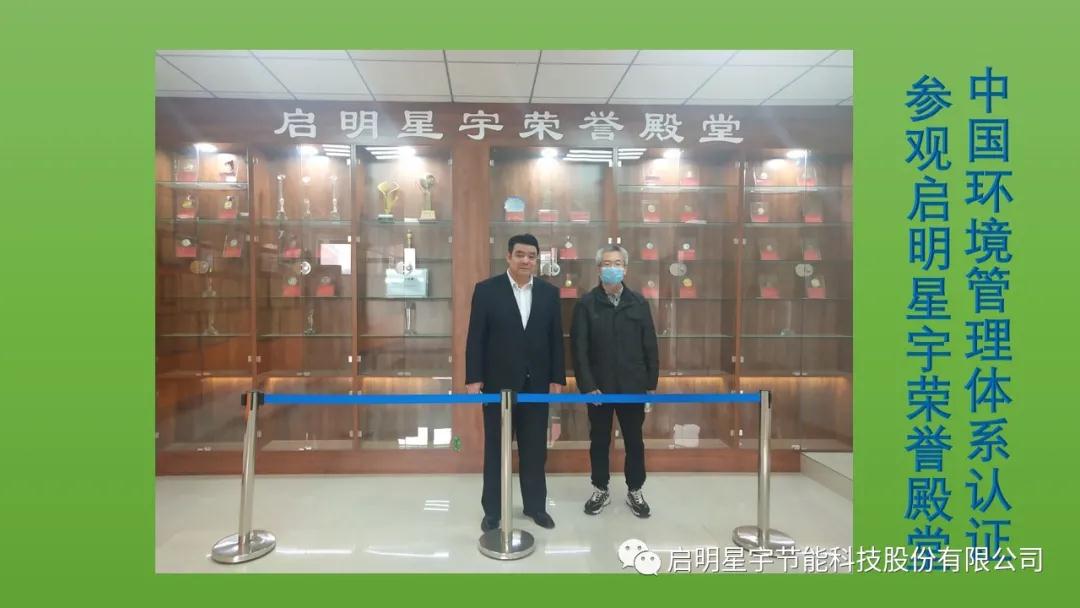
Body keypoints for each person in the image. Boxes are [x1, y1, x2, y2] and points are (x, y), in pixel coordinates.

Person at [466, 233, 566, 532]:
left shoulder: (549, 293)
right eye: (520, 254)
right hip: (498, 385)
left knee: (535, 450)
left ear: (537, 260)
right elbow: (476, 337)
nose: (526, 260)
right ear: (508, 256)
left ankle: (535, 507)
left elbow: (556, 339)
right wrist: (474, 377)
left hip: (536, 385)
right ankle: (493, 511)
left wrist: (557, 378)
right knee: (496, 450)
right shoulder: (486, 290)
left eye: (532, 256)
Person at [570, 244, 659, 518]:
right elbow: (579, 349)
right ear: (599, 269)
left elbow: (650, 345)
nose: (612, 268)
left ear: (625, 269)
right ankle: (600, 488)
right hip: (599, 388)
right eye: (607, 264)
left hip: (633, 387)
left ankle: (635, 490)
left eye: (617, 263)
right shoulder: (586, 304)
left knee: (634, 441)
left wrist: (650, 385)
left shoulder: (638, 303)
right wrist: (588, 386)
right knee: (599, 440)